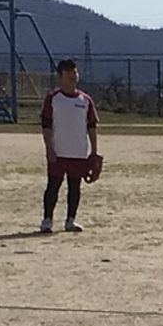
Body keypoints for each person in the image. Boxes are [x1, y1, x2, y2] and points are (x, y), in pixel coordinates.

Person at [39, 60, 99, 234]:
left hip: (78, 152)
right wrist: (49, 148)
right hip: (59, 151)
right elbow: (46, 126)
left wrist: (94, 151)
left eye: (75, 72)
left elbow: (92, 126)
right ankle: (47, 220)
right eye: (68, 73)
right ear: (60, 76)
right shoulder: (53, 99)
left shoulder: (85, 100)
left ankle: (71, 219)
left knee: (75, 187)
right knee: (53, 186)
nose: (73, 76)